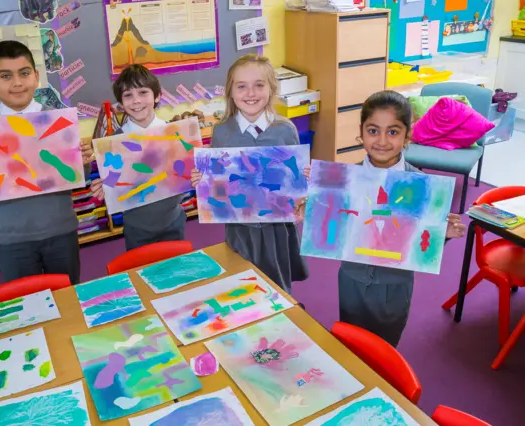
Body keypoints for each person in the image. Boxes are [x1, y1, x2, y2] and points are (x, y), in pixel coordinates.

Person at [307, 90, 466, 346]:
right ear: (361, 132)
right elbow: (331, 231)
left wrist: (441, 233)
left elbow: (421, 245)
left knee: (385, 347)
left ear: (407, 136)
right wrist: (314, 212)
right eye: (373, 130)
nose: (381, 140)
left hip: (395, 286)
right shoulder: (344, 179)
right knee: (351, 343)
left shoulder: (423, 187)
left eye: (392, 132)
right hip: (352, 279)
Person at [0, 40, 93, 284]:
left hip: (60, 231)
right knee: (28, 308)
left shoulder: (58, 122)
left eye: (24, 73)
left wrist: (84, 160)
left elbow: (77, 177)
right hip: (12, 238)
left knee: (69, 299)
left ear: (36, 77)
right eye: (6, 76)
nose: (17, 83)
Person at [190, 54, 309, 293]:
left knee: (277, 286)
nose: (250, 93)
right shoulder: (223, 132)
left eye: (259, 85)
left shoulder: (285, 130)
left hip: (277, 228)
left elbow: (297, 181)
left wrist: (306, 181)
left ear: (271, 88)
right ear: (231, 92)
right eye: (241, 86)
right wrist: (203, 180)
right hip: (240, 227)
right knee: (243, 282)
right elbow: (217, 181)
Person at [88, 64, 186, 250]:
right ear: (121, 104)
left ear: (157, 96)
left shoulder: (175, 134)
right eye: (128, 95)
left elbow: (183, 173)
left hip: (173, 220)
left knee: (177, 272)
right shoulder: (113, 141)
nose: (136, 101)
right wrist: (104, 186)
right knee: (142, 273)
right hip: (137, 227)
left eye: (143, 93)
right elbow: (113, 181)